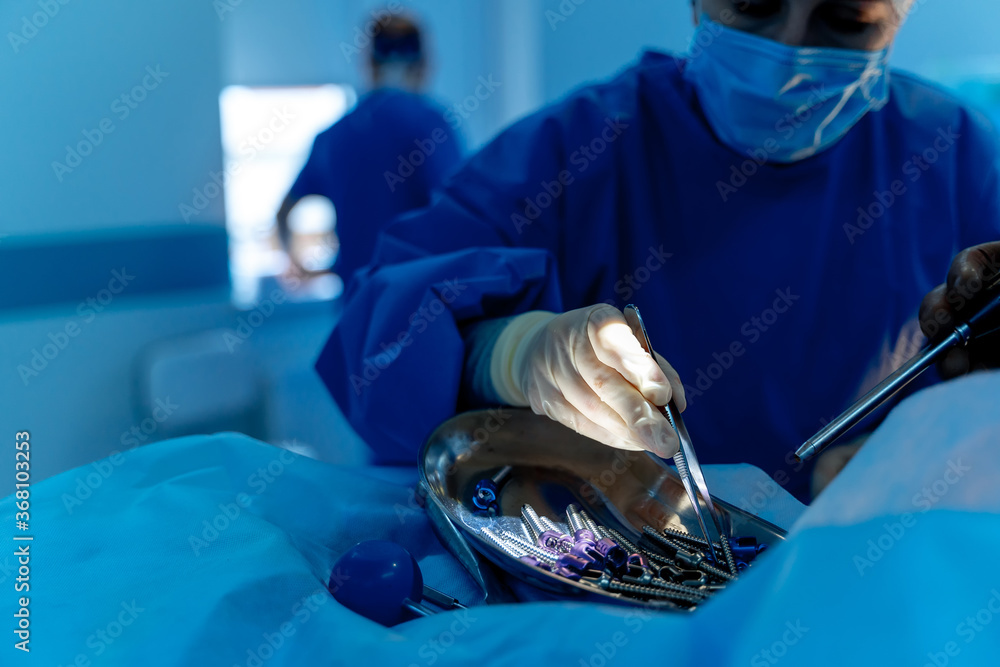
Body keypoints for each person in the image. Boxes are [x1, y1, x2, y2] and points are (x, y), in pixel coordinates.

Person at [316, 0, 1000, 501]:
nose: (790, 55)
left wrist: (955, 438)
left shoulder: (957, 156)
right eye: (754, 3)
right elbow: (375, 334)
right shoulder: (582, 150)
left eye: (847, 19)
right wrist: (507, 353)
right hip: (621, 603)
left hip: (869, 588)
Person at [276, 13, 463, 283]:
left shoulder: (333, 136)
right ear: (423, 64)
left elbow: (284, 210)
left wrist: (300, 266)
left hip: (357, 309)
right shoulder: (430, 124)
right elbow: (457, 218)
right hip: (418, 303)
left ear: (369, 63)